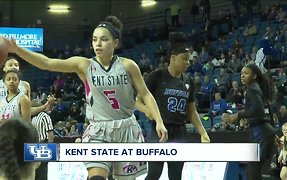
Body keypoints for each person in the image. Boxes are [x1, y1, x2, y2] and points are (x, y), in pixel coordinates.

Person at [4, 16, 168, 180]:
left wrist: (159, 121)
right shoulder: (84, 65)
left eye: (104, 39)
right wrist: (18, 49)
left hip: (126, 128)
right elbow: (47, 63)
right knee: (96, 177)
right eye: (95, 39)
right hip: (98, 130)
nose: (98, 44)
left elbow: (145, 93)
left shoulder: (128, 66)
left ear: (115, 43)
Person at [137, 32, 210, 180]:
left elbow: (192, 111)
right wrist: (147, 111)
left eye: (189, 60)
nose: (188, 63)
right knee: (154, 173)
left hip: (180, 130)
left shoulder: (188, 81)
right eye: (184, 59)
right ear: (173, 58)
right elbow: (136, 100)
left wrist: (202, 132)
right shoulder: (157, 76)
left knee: (176, 175)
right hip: (158, 129)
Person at [223, 63, 276, 180]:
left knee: (252, 172)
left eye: (246, 73)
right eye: (241, 73)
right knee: (255, 171)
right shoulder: (255, 87)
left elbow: (259, 111)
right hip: (264, 131)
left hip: (261, 133)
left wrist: (238, 115)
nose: (242, 76)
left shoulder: (252, 89)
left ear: (254, 76)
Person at [31, 99, 54, 180]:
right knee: (35, 170)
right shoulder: (32, 118)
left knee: (42, 169)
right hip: (34, 145)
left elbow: (50, 133)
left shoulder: (44, 116)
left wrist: (50, 147)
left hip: (43, 144)